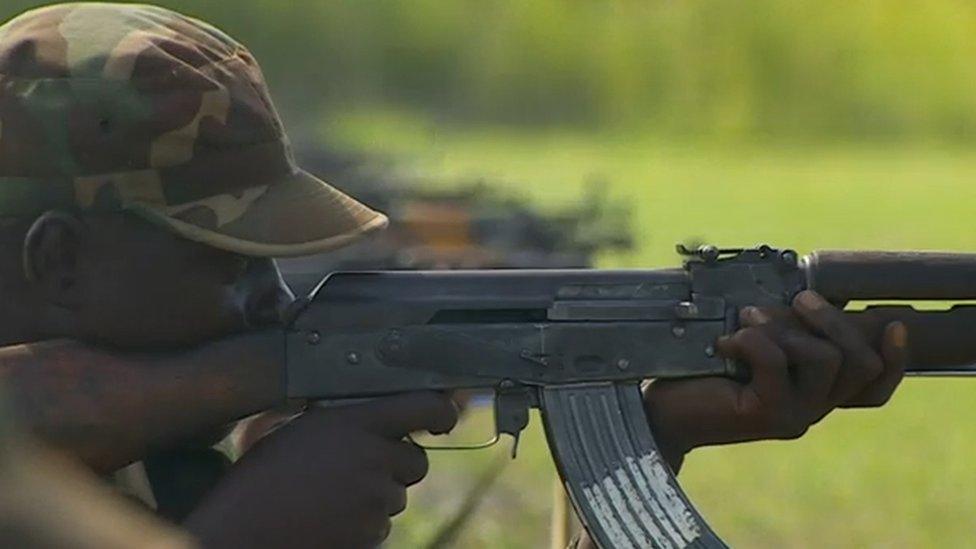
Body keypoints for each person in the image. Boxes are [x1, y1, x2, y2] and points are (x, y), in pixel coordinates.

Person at [0, 3, 908, 547]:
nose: (271, 300)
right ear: (58, 260)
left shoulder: (159, 464)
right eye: (229, 263)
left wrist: (653, 438)